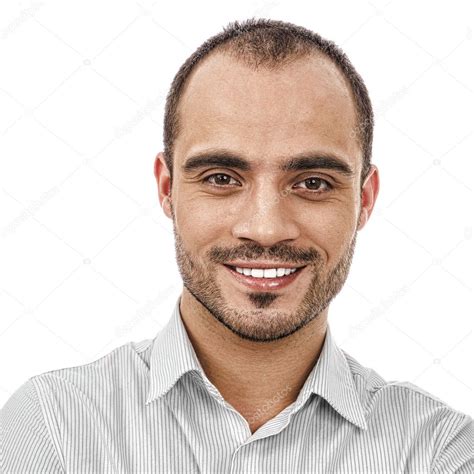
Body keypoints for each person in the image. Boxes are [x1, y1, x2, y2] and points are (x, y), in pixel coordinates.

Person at [1, 17, 472, 474]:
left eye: (312, 182)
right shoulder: (53, 427)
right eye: (222, 178)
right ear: (167, 189)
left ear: (364, 200)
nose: (265, 229)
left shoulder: (438, 453)